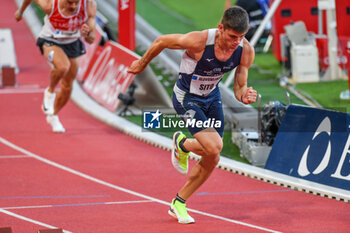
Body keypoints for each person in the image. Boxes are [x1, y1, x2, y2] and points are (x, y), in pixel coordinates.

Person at [128, 6, 257, 224]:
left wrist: (244, 95)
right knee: (215, 146)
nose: (236, 42)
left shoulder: (245, 50)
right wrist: (141, 64)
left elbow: (239, 87)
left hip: (211, 98)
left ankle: (179, 200)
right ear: (220, 29)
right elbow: (161, 41)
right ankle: (183, 145)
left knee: (213, 156)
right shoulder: (199, 42)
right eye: (233, 36)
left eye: (241, 37)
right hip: (186, 98)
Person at [15, 0, 97, 133]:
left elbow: (91, 39)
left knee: (68, 86)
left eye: (76, 3)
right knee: (63, 66)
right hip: (50, 40)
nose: (73, 7)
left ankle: (53, 115)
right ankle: (50, 91)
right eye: (70, 3)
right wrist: (20, 12)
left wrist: (87, 33)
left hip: (72, 43)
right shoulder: (50, 5)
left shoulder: (89, 5)